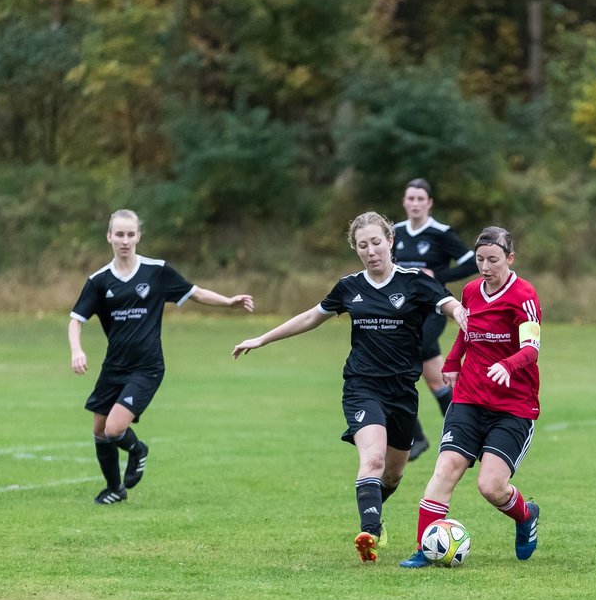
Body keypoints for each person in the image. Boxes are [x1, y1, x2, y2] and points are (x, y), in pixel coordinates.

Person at [231, 211, 468, 562]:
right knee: (371, 458)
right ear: (356, 249)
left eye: (376, 242)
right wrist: (264, 338)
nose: (371, 251)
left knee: (394, 472)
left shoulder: (414, 281)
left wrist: (460, 312)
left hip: (402, 390)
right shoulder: (350, 287)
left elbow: (447, 302)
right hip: (362, 386)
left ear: (390, 241)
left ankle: (375, 512)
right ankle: (369, 533)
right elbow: (312, 316)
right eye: (362, 245)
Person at [69, 209, 254, 505]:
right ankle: (114, 489)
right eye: (119, 234)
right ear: (109, 237)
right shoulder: (99, 280)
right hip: (113, 366)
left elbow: (195, 292)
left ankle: (138, 450)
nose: (125, 240)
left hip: (147, 367)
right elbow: (76, 319)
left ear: (138, 236)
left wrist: (228, 302)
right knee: (99, 430)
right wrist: (77, 349)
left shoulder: (156, 271)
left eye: (131, 234)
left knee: (114, 429)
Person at [401, 225, 542, 568]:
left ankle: (526, 516)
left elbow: (531, 349)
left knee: (491, 486)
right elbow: (467, 332)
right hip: (468, 398)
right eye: (480, 259)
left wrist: (508, 366)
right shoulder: (470, 291)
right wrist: (451, 362)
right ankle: (424, 547)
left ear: (509, 258)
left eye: (493, 260)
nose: (485, 267)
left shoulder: (524, 295)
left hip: (513, 407)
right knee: (447, 468)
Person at [392, 179, 478, 461]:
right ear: (404, 202)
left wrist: (438, 277)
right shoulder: (395, 233)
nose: (415, 203)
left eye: (420, 199)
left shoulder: (441, 233)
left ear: (429, 203)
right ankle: (466, 432)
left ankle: (415, 436)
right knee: (435, 379)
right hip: (404, 315)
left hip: (433, 312)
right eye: (410, 198)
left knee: (398, 363)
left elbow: (471, 261)